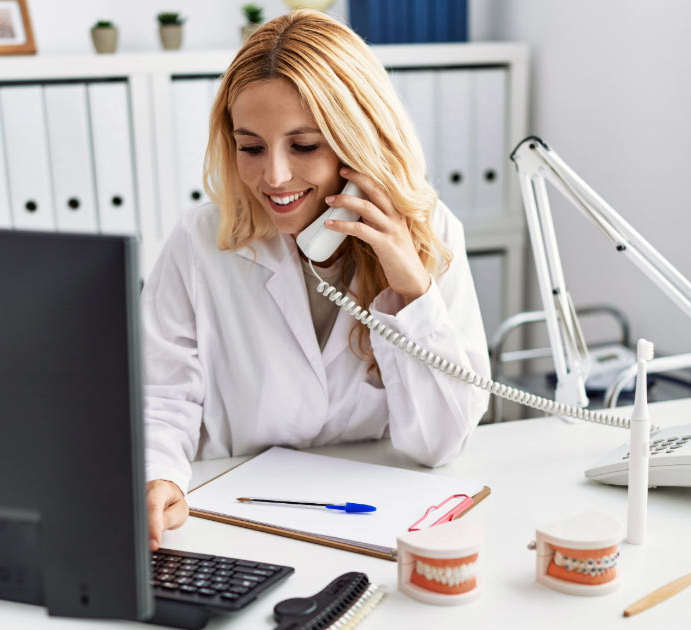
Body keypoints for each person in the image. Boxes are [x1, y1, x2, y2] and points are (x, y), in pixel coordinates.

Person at [141, 9, 490, 551]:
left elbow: (440, 445)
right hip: (240, 519)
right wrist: (158, 472)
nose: (273, 177)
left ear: (359, 144)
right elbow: (163, 395)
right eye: (251, 147)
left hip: (374, 523)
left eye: (304, 146)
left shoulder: (431, 233)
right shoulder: (199, 240)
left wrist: (410, 290)